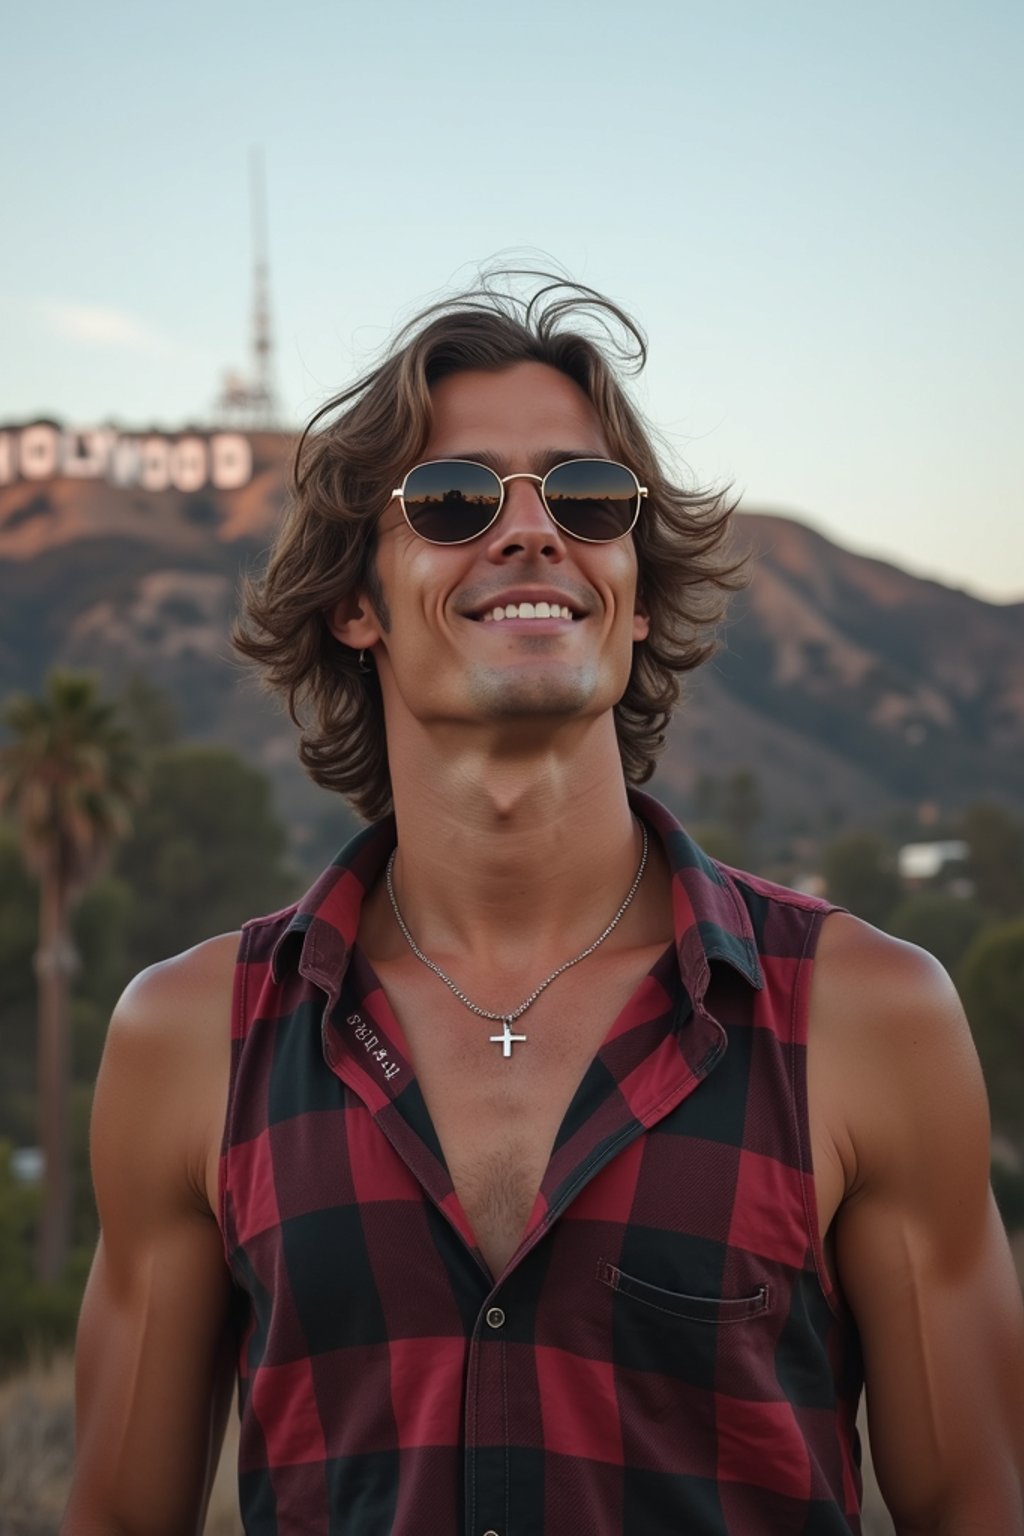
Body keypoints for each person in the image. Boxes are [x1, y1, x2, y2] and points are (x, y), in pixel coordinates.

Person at [64, 276, 1023, 1536]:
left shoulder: (867, 1017)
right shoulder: (190, 1040)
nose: (533, 534)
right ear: (356, 602)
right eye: (456, 501)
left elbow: (976, 1507)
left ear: (630, 586)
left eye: (586, 498)